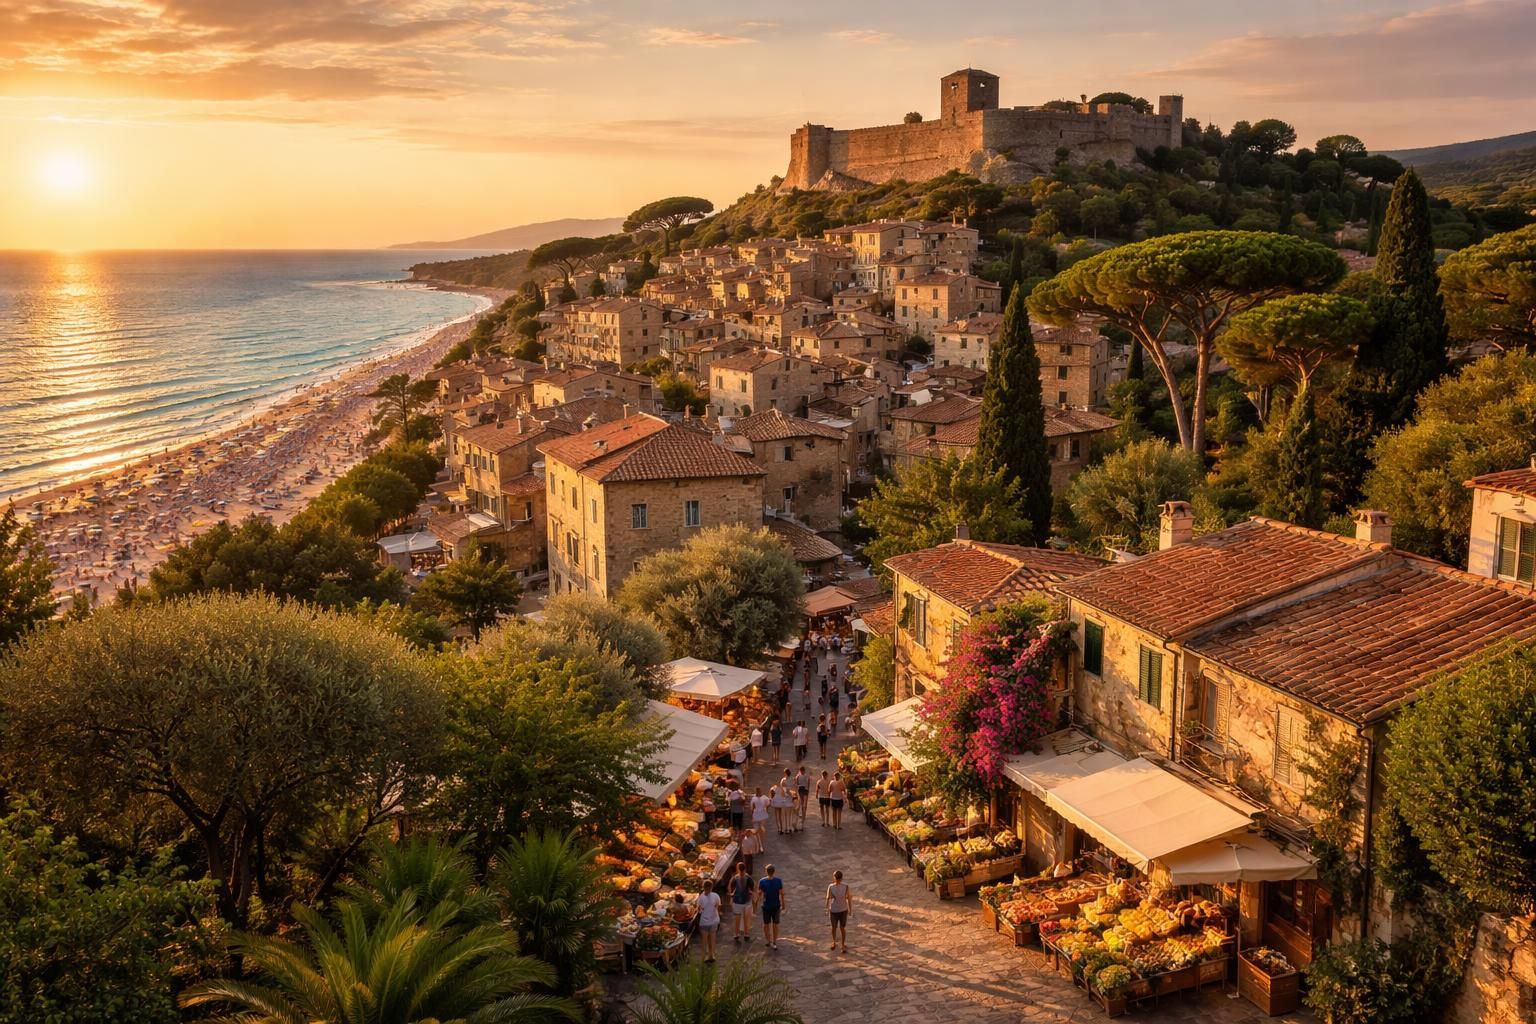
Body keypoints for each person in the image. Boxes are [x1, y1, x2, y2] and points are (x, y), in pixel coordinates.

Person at [758, 864, 786, 950]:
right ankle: (774, 941)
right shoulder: (778, 881)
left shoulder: (762, 881)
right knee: (775, 924)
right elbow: (782, 893)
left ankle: (768, 940)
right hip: (776, 905)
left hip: (766, 905)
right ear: (774, 871)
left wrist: (758, 902)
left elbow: (760, 893)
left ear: (766, 871)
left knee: (766, 924)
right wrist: (783, 904)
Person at [728, 863, 756, 944]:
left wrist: (731, 896)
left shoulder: (735, 878)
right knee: (746, 918)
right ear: (745, 869)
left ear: (738, 869)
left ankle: (736, 934)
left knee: (737, 918)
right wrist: (752, 894)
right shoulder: (748, 878)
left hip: (737, 901)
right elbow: (752, 888)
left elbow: (731, 888)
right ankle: (746, 934)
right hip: (747, 900)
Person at [826, 870, 852, 953]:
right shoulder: (831, 887)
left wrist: (850, 909)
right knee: (834, 927)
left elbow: (849, 898)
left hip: (842, 910)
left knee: (842, 927)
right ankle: (834, 942)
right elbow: (828, 898)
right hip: (834, 910)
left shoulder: (845, 886)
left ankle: (842, 944)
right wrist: (827, 908)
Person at [696, 879, 722, 963]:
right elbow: (718, 906)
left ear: (703, 887)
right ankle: (712, 954)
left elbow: (699, 910)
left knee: (704, 940)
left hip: (704, 921)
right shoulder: (716, 896)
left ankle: (705, 956)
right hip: (714, 920)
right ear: (711, 887)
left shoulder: (700, 898)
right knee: (712, 938)